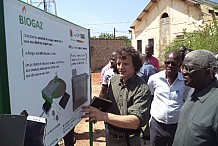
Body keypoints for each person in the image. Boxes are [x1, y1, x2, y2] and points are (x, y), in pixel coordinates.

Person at [82, 46, 150, 146]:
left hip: (129, 140)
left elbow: (135, 121)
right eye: (118, 64)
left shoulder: (142, 89)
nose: (121, 67)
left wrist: (103, 116)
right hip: (110, 137)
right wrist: (97, 110)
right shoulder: (114, 80)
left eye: (125, 64)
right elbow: (109, 104)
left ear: (135, 66)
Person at [173, 50, 218, 146]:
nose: (183, 72)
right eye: (182, 67)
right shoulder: (193, 90)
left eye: (188, 68)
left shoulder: (215, 103)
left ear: (207, 72)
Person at [147, 51, 191, 146]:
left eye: (174, 63)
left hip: (176, 126)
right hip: (157, 125)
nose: (170, 65)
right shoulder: (154, 79)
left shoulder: (185, 82)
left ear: (180, 64)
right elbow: (150, 96)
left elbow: (186, 100)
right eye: (167, 62)